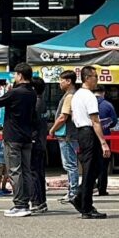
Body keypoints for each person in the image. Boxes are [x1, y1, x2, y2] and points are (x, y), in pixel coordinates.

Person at [0, 63, 37, 218]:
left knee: (14, 171)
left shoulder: (15, 92)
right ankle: (26, 203)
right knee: (26, 171)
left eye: (16, 74)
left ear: (20, 75)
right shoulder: (32, 92)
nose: (14, 77)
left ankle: (20, 204)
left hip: (13, 137)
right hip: (27, 137)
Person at [70, 66, 110, 219]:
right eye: (95, 77)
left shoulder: (77, 95)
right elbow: (95, 121)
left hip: (81, 132)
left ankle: (80, 198)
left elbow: (73, 116)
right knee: (91, 170)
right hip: (89, 132)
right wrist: (103, 142)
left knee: (94, 169)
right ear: (87, 78)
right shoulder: (89, 96)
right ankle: (86, 206)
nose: (97, 80)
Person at [48, 70, 79, 205]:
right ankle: (72, 191)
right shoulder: (72, 95)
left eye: (61, 80)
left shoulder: (69, 96)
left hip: (67, 135)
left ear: (68, 81)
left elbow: (63, 117)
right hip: (69, 134)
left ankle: (73, 192)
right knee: (70, 164)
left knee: (70, 165)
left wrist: (52, 129)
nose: (59, 83)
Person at [30, 77, 48, 213]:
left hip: (35, 141)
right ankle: (41, 201)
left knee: (34, 173)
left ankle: (37, 201)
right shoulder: (41, 102)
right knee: (39, 173)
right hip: (41, 141)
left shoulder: (35, 103)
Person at [95, 86, 117, 196]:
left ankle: (89, 187)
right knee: (104, 164)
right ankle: (101, 189)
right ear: (103, 93)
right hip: (105, 137)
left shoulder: (87, 104)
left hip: (89, 137)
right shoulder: (108, 105)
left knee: (90, 163)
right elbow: (114, 121)